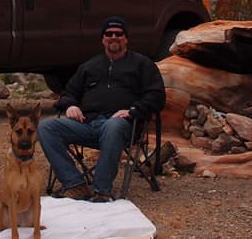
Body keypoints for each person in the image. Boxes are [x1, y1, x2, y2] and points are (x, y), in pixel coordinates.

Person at [37, 16, 166, 203]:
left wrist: (133, 110)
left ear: (126, 38)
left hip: (124, 126)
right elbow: (67, 93)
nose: (114, 37)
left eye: (119, 34)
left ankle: (101, 191)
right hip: (88, 125)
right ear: (103, 39)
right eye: (109, 34)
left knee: (113, 126)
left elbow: (157, 95)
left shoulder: (142, 64)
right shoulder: (89, 66)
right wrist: (71, 105)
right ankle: (74, 185)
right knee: (46, 127)